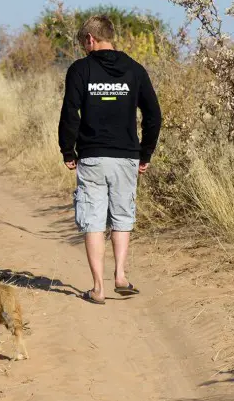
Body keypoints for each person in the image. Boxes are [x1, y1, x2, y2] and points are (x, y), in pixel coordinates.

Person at [58, 15, 162, 304]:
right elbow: (153, 115)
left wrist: (68, 151)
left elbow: (70, 113)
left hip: (91, 157)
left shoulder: (80, 70)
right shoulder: (135, 70)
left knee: (92, 220)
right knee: (122, 217)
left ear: (91, 39)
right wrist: (146, 152)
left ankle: (98, 288)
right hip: (126, 158)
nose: (83, 49)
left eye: (83, 43)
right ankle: (120, 276)